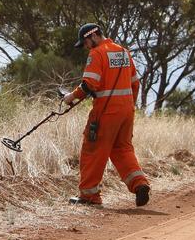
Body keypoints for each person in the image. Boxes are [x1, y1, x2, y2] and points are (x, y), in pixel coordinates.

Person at [63, 23, 150, 206]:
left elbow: (89, 84)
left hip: (106, 111)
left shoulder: (97, 53)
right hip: (127, 111)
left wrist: (71, 96)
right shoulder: (123, 52)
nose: (86, 46)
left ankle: (89, 196)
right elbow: (135, 83)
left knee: (92, 149)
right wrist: (129, 106)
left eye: (86, 42)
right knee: (122, 149)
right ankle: (139, 183)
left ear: (93, 36)